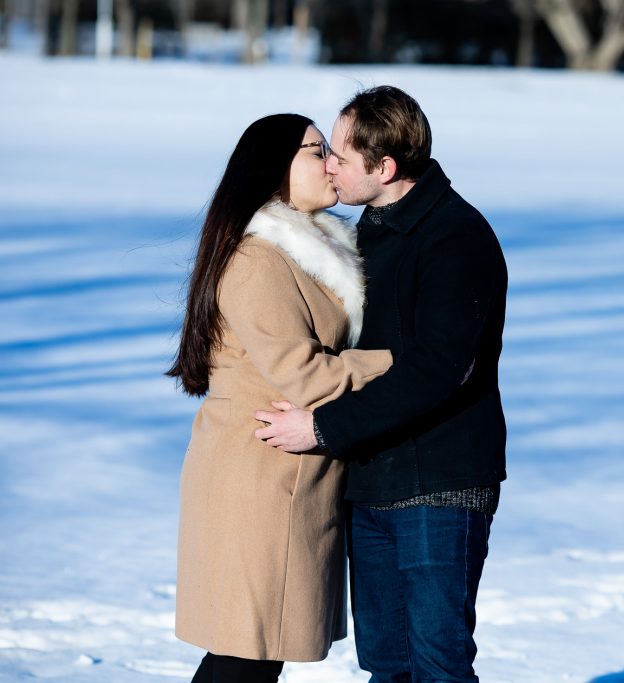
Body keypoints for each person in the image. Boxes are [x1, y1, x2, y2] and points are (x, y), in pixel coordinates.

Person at [255, 86, 508, 683]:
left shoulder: (455, 237)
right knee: (387, 665)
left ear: (385, 167)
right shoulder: (363, 232)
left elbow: (440, 369)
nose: (328, 168)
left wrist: (323, 427)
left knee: (437, 663)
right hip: (369, 479)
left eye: (339, 157)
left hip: (438, 482)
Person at [167, 113, 393, 683]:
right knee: (246, 654)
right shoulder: (258, 259)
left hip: (288, 478)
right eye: (316, 151)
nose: (332, 163)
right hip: (259, 480)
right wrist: (402, 364)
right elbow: (305, 374)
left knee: (248, 655)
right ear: (274, 171)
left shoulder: (304, 251)